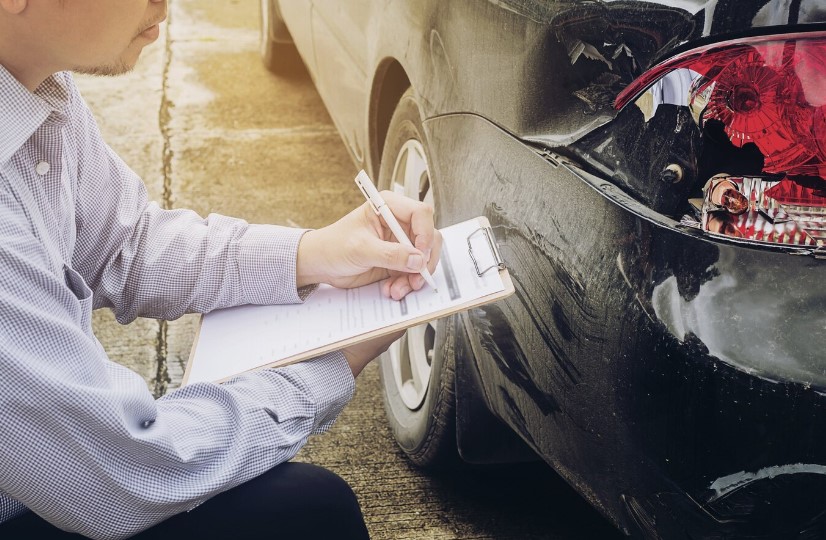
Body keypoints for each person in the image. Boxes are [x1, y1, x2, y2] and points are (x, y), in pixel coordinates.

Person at [0, 0, 441, 538]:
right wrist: (327, 363)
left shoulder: (36, 88)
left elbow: (127, 244)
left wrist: (313, 254)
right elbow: (124, 473)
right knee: (310, 514)